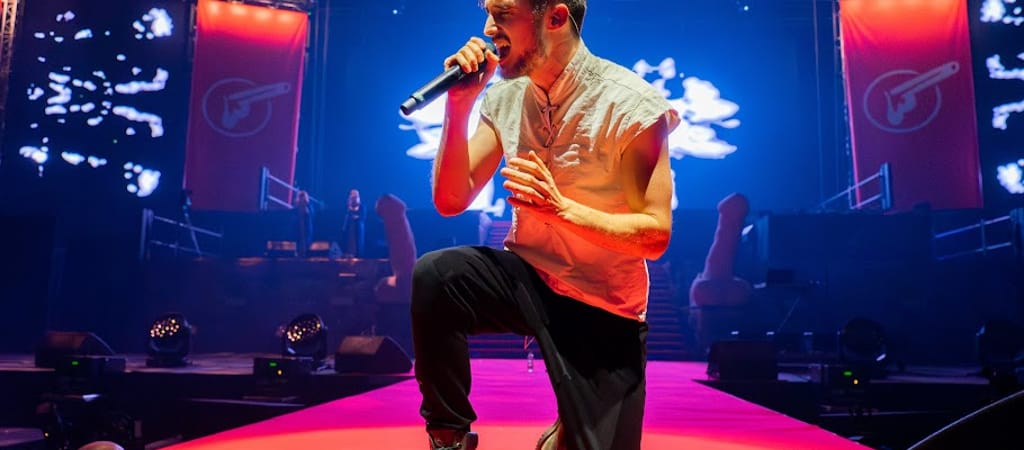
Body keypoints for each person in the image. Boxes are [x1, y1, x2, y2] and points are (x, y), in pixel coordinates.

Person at [410, 0, 679, 449]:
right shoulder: (506, 97)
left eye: (502, 14)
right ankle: (448, 437)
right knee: (438, 276)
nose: (488, 28)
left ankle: (563, 435)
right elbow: (451, 200)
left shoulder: (631, 104)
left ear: (555, 18)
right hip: (529, 278)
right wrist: (459, 106)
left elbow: (654, 234)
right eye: (487, 13)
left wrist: (561, 210)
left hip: (603, 301)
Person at [340, 188, 365, 257]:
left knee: (358, 246)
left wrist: (357, 217)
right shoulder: (347, 207)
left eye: (355, 197)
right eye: (352, 197)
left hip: (358, 230)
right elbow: (343, 218)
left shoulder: (362, 207)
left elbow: (363, 217)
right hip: (349, 230)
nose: (353, 198)